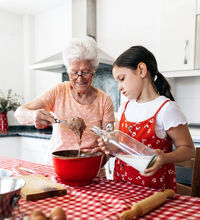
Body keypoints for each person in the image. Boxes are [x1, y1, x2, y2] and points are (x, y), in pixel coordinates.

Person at [98, 45, 195, 191]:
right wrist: (110, 148)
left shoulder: (165, 108)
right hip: (121, 188)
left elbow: (188, 150)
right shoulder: (125, 107)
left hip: (154, 193)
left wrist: (165, 158)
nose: (119, 87)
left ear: (141, 70)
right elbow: (119, 145)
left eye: (122, 79)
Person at [15, 36, 115, 173]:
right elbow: (19, 113)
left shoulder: (105, 101)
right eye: (74, 72)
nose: (79, 78)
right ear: (68, 71)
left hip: (92, 171)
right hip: (57, 168)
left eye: (85, 72)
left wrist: (104, 153)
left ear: (94, 69)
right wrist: (33, 115)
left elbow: (109, 142)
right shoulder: (58, 91)